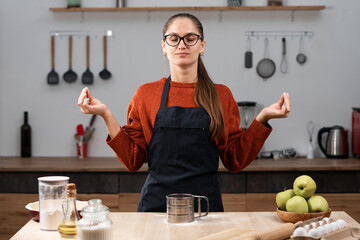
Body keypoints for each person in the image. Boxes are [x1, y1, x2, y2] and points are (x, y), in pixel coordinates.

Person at [78, 13, 291, 212]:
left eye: (190, 38)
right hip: (156, 209)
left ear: (202, 45)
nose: (182, 44)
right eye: (174, 38)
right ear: (164, 46)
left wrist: (263, 118)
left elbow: (235, 160)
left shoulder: (221, 95)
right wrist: (105, 114)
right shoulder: (146, 94)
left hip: (206, 210)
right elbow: (133, 161)